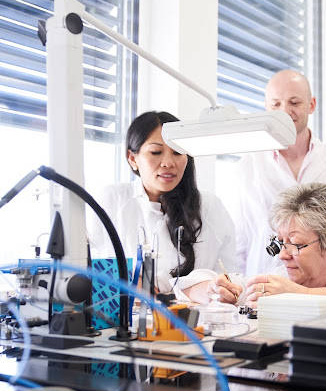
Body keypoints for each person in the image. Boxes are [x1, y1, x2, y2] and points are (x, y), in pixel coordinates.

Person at [230, 69, 326, 277]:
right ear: (266, 107)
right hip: (263, 286)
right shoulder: (247, 167)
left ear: (311, 105)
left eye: (294, 103)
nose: (285, 111)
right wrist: (237, 291)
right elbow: (239, 242)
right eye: (276, 104)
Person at [87, 111, 237, 300]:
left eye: (177, 152)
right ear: (132, 158)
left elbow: (230, 276)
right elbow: (90, 269)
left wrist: (214, 289)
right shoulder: (110, 201)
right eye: (156, 152)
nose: (168, 162)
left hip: (195, 322)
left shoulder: (210, 208)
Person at [211, 182, 326, 309]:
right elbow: (198, 282)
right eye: (281, 242)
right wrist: (223, 290)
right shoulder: (281, 277)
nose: (283, 255)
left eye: (296, 244)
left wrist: (298, 295)